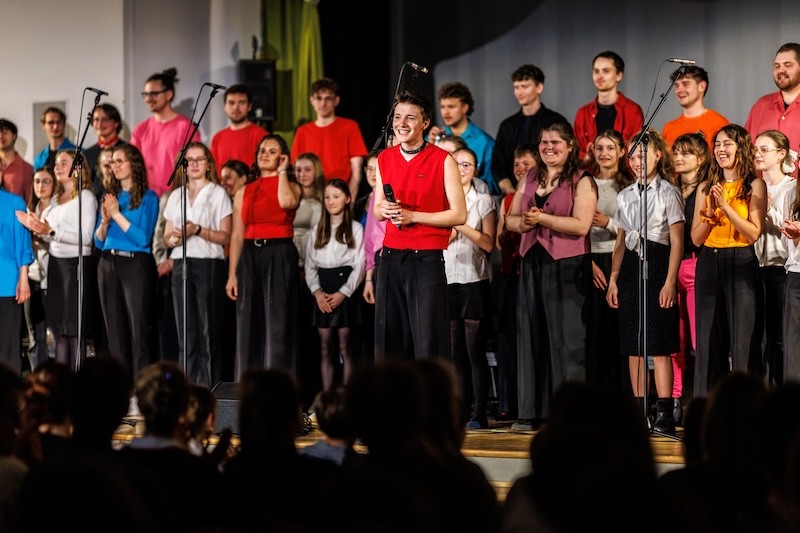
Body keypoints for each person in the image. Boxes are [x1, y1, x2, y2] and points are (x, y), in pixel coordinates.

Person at [504, 121, 596, 430]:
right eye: (544, 142)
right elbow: (510, 219)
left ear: (570, 146)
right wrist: (525, 224)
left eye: (556, 142)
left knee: (566, 340)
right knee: (531, 335)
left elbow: (581, 225)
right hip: (532, 261)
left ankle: (570, 414)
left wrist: (543, 217)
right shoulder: (530, 177)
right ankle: (531, 412)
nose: (549, 147)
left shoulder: (581, 179)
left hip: (568, 265)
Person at [372, 90, 467, 361]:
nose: (401, 124)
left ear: (425, 123)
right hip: (390, 257)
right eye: (397, 117)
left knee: (429, 341)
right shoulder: (384, 158)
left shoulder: (443, 160)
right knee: (389, 341)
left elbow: (459, 215)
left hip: (425, 259)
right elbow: (377, 210)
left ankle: (431, 390)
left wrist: (414, 216)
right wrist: (384, 210)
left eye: (410, 118)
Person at [606, 129, 684, 435]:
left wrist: (670, 281)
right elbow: (620, 242)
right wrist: (614, 278)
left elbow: (677, 242)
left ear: (657, 155)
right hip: (630, 267)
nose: (637, 161)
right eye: (632, 156)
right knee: (634, 344)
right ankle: (640, 410)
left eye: (642, 155)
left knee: (659, 342)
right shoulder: (625, 195)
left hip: (659, 263)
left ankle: (664, 412)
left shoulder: (668, 192)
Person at [691, 124, 766, 397]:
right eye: (718, 144)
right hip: (709, 262)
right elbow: (696, 239)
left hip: (741, 261)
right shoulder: (706, 187)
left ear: (741, 148)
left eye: (728, 144)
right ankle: (706, 408)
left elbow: (753, 233)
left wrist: (725, 207)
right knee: (708, 343)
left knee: (743, 342)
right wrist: (711, 214)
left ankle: (747, 408)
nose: (721, 149)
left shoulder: (754, 185)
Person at [226, 134, 301, 378]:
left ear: (282, 157)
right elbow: (237, 235)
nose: (264, 155)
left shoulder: (291, 185)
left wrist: (281, 172)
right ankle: (246, 384)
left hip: (279, 252)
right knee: (248, 322)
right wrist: (232, 274)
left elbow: (286, 202)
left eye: (271, 151)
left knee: (277, 322)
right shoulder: (244, 191)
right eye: (262, 150)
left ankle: (277, 384)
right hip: (250, 254)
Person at [162, 142, 232, 387]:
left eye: (199, 159)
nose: (193, 164)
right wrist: (176, 238)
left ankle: (210, 389)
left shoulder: (217, 193)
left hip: (208, 264)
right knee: (186, 332)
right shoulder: (176, 195)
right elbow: (166, 236)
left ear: (208, 164)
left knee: (207, 331)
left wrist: (198, 230)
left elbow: (226, 236)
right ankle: (187, 387)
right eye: (188, 160)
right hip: (181, 263)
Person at [18, 150, 96, 370]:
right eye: (57, 164)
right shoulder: (55, 200)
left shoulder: (86, 197)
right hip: (56, 266)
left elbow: (86, 238)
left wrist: (50, 232)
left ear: (77, 168)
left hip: (75, 267)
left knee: (74, 330)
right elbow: (48, 234)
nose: (57, 167)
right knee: (59, 328)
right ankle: (62, 382)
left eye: (64, 163)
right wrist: (36, 227)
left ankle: (77, 380)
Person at [94, 143, 160, 385]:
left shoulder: (148, 197)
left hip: (135, 264)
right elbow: (98, 241)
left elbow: (143, 238)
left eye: (120, 161)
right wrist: (104, 221)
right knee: (114, 333)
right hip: (107, 263)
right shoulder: (110, 196)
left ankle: (141, 387)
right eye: (112, 162)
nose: (115, 166)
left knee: (137, 331)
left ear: (134, 164)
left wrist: (116, 215)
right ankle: (121, 388)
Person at [445, 147, 496, 429]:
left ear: (475, 169)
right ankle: (459, 411)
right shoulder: (441, 198)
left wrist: (460, 225)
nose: (461, 169)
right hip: (447, 279)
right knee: (454, 352)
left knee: (474, 349)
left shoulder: (483, 200)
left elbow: (488, 243)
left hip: (473, 278)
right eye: (457, 164)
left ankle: (479, 413)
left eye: (467, 164)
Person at [305, 179, 365, 389]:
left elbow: (360, 265)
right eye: (327, 197)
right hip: (323, 287)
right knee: (324, 347)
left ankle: (346, 396)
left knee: (345, 346)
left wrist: (343, 293)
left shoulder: (355, 228)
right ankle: (327, 395)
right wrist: (317, 292)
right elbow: (310, 265)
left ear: (347, 199)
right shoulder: (317, 230)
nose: (331, 201)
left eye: (336, 197)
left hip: (344, 287)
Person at [585, 130, 632, 391]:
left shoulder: (628, 185)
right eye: (600, 148)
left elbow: (634, 228)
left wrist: (608, 223)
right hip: (591, 260)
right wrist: (588, 263)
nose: (604, 153)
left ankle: (622, 393)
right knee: (594, 331)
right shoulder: (586, 183)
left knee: (618, 329)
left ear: (622, 152)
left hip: (618, 258)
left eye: (610, 148)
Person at [671, 133, 711, 422]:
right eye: (675, 152)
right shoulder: (670, 187)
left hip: (697, 266)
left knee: (700, 340)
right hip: (671, 267)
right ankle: (673, 401)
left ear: (701, 158)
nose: (678, 157)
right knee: (675, 340)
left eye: (686, 153)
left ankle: (702, 402)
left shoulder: (706, 188)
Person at [493, 143, 535, 421]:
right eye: (516, 164)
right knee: (507, 339)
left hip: (529, 273)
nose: (520, 169)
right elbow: (499, 242)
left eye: (526, 164)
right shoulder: (508, 200)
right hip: (510, 275)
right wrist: (507, 230)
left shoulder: (539, 196)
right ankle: (508, 401)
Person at [753, 130, 795, 387]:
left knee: (779, 336)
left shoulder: (791, 187)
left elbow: (790, 229)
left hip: (781, 269)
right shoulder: (754, 186)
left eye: (764, 150)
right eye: (755, 150)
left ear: (781, 154)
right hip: (755, 267)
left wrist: (768, 209)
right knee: (759, 338)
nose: (758, 154)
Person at [491, 64, 570, 195]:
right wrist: (510, 191)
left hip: (551, 192)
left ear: (539, 87)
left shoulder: (557, 121)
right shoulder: (507, 126)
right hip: (514, 192)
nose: (519, 92)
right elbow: (498, 164)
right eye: (516, 87)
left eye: (525, 86)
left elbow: (566, 159)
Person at [290, 77, 368, 198]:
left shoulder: (349, 127)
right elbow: (296, 169)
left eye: (328, 98)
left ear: (336, 100)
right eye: (319, 98)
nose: (323, 103)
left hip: (339, 193)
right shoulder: (302, 131)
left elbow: (357, 170)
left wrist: (349, 200)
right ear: (312, 100)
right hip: (309, 196)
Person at [130, 67, 201, 197]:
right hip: (146, 197)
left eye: (154, 94)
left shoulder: (186, 127)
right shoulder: (140, 129)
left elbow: (195, 165)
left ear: (168, 94)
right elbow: (133, 165)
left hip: (177, 197)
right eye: (146, 94)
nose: (148, 99)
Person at [573, 51, 644, 166]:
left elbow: (636, 152)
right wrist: (586, 158)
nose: (599, 76)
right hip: (590, 174)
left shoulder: (633, 111)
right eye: (596, 71)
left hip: (624, 175)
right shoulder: (582, 113)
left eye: (606, 71)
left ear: (619, 75)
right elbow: (576, 153)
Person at [427, 81, 498, 195]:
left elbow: (494, 186)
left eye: (451, 106)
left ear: (465, 108)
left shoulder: (484, 141)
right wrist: (429, 146)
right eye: (443, 107)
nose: (445, 112)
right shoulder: (434, 138)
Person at [21, 169, 55, 371]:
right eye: (37, 181)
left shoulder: (57, 209)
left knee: (56, 333)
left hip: (53, 277)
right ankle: (37, 376)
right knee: (35, 334)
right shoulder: (28, 211)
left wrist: (42, 237)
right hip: (32, 277)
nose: (41, 186)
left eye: (46, 181)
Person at [0, 174, 32, 373]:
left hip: (7, 282)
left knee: (8, 346)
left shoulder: (14, 202)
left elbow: (23, 243)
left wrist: (24, 277)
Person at [745, 43, 800, 160]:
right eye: (777, 66)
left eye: (788, 65)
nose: (781, 70)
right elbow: (745, 150)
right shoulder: (761, 105)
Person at [662, 66, 729, 151]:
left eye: (685, 84)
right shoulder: (669, 128)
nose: (679, 90)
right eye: (677, 85)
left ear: (702, 86)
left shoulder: (719, 124)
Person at [210, 84, 269, 175]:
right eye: (231, 103)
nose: (236, 107)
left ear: (249, 106)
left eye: (241, 103)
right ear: (225, 106)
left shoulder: (260, 135)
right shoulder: (218, 137)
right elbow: (213, 171)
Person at [83, 103, 126, 197]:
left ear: (116, 123)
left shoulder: (126, 150)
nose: (100, 124)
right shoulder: (86, 154)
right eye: (96, 120)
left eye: (105, 119)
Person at [782, 175, 800, 382]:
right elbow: (787, 247)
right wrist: (793, 236)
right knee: (793, 343)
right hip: (795, 273)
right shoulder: (792, 194)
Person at [0, 118, 34, 203]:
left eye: (5, 132)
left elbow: (30, 203)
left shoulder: (27, 169)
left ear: (14, 136)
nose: (1, 136)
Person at [33, 107, 75, 172]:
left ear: (64, 124)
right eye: (51, 122)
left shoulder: (78, 152)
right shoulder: (39, 159)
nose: (55, 126)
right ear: (43, 125)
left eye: (59, 122)